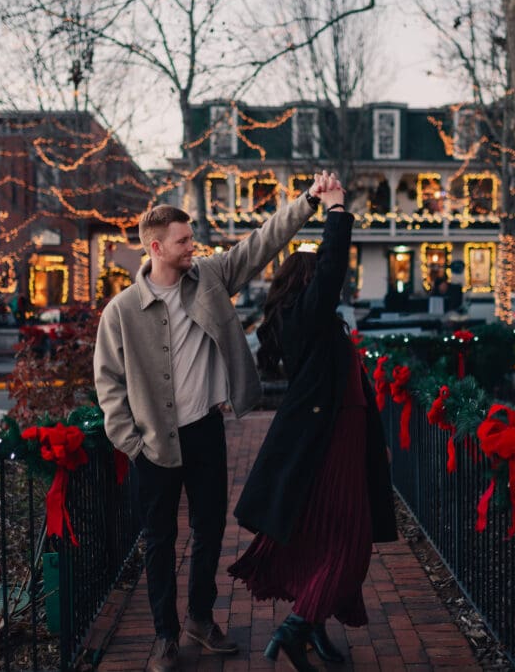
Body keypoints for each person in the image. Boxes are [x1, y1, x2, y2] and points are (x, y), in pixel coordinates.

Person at [94, 171, 338, 672]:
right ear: (156, 247)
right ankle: (165, 636)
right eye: (183, 241)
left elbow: (259, 245)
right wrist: (131, 442)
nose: (192, 246)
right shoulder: (121, 312)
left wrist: (308, 202)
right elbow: (108, 385)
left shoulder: (208, 277)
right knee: (158, 540)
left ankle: (200, 620)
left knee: (208, 531)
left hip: (205, 430)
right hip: (153, 444)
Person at [230, 197, 398, 671]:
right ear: (306, 284)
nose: (332, 287)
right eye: (319, 278)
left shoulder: (320, 325)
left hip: (345, 435)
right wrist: (337, 209)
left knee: (328, 540)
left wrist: (374, 438)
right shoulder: (303, 319)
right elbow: (331, 270)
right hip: (329, 440)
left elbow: (355, 386)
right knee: (349, 540)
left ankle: (312, 630)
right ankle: (295, 627)